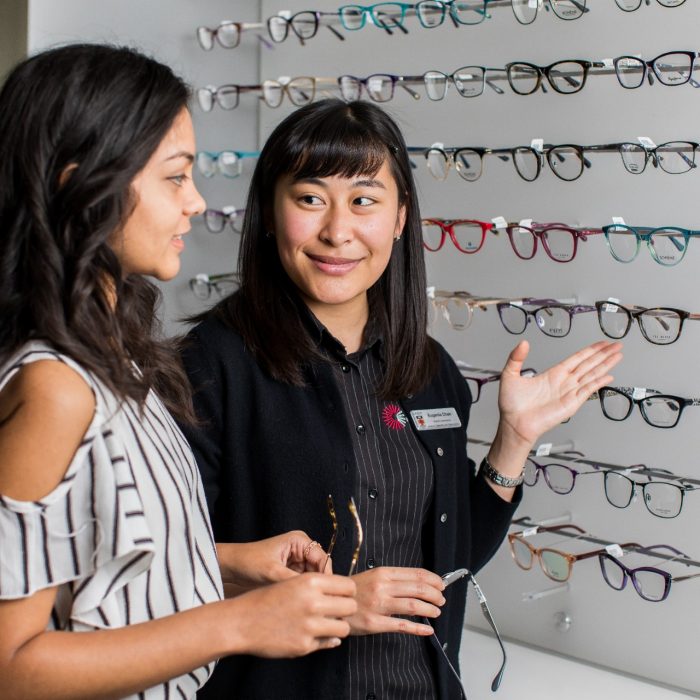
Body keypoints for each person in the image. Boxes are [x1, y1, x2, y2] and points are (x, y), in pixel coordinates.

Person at [179, 97, 623, 699]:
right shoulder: (212, 363)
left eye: (364, 200)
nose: (338, 231)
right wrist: (338, 603)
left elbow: (451, 562)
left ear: (398, 217)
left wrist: (514, 441)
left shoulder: (429, 370)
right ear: (267, 211)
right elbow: (174, 567)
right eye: (310, 199)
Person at [0, 45, 357, 700]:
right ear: (82, 186)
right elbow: (11, 665)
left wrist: (224, 565)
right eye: (174, 177)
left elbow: (80, 576)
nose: (196, 203)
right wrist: (240, 623)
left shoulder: (118, 355)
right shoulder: (53, 388)